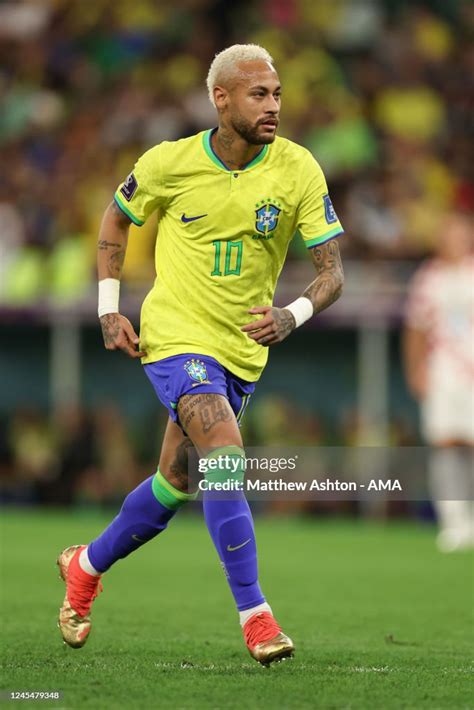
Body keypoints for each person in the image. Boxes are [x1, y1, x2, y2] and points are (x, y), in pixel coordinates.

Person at [57, 44, 345, 665]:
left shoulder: (298, 169)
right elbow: (115, 219)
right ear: (221, 99)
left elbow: (331, 274)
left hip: (241, 351)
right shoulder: (168, 162)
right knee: (223, 453)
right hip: (175, 335)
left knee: (177, 482)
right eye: (258, 95)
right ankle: (256, 615)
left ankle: (84, 565)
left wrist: (291, 315)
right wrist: (110, 306)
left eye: (276, 94)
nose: (273, 106)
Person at [404, 213, 474, 552]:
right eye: (451, 234)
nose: (457, 240)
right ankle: (453, 522)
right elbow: (416, 329)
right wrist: (416, 369)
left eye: (463, 233)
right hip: (443, 372)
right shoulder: (429, 278)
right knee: (445, 444)